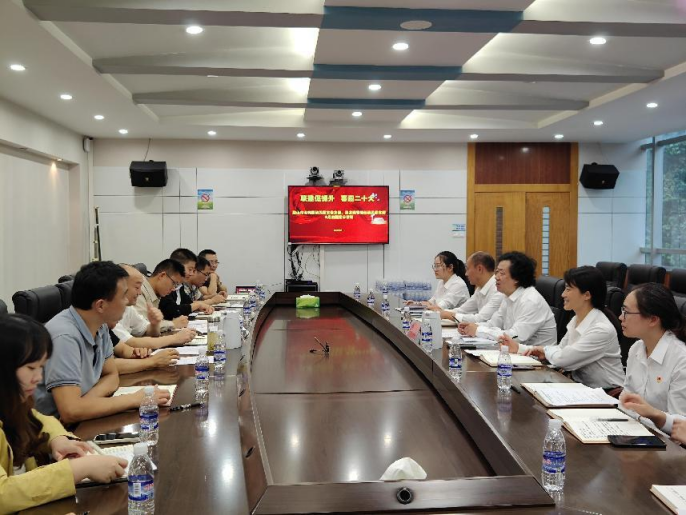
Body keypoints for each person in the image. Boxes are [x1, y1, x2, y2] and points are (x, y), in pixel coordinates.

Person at [0, 314, 129, 513]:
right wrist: (79, 469)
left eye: (41, 367)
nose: (38, 377)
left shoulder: (13, 402)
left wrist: (58, 439)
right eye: (31, 368)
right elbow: (3, 494)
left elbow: (37, 419)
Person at [34, 261, 171, 423]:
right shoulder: (64, 337)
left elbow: (112, 375)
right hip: (52, 430)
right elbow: (70, 412)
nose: (127, 302)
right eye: (123, 296)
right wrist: (134, 399)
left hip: (82, 418)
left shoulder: (100, 325)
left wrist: (85, 403)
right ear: (100, 305)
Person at [510, 266, 625, 389]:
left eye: (568, 289)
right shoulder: (577, 319)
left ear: (586, 295)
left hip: (607, 393)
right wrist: (522, 348)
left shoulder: (601, 329)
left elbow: (563, 360)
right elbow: (561, 349)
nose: (563, 294)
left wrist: (546, 351)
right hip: (583, 388)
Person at [618, 283, 686, 435]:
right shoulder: (636, 348)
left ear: (653, 319)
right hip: (633, 430)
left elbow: (681, 426)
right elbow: (626, 400)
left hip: (665, 442)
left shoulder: (681, 359)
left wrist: (654, 415)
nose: (621, 317)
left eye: (626, 312)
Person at [459, 251, 556, 348]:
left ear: (516, 278)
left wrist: (478, 330)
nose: (496, 277)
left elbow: (514, 337)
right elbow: (493, 323)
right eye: (497, 272)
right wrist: (471, 327)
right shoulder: (508, 296)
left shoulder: (531, 301)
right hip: (514, 352)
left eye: (502, 273)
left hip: (535, 356)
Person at [113, 265, 195, 350]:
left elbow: (147, 331)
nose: (139, 292)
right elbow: (132, 343)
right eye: (137, 287)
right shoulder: (110, 314)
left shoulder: (128, 308)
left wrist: (154, 324)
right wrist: (175, 338)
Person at [437, 251, 503, 323]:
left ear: (479, 269)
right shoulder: (480, 289)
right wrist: (440, 313)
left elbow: (480, 319)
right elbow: (463, 310)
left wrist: (448, 314)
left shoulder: (498, 290)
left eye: (468, 269)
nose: (466, 274)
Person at [135, 259, 190, 332]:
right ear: (162, 276)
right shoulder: (139, 290)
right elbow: (143, 327)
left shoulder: (156, 293)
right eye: (174, 283)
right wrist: (173, 324)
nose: (173, 289)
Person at [159, 249, 214, 320]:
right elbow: (172, 311)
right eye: (190, 269)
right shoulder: (166, 285)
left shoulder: (179, 286)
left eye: (193, 270)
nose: (192, 274)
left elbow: (187, 303)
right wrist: (198, 305)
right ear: (177, 266)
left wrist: (200, 306)